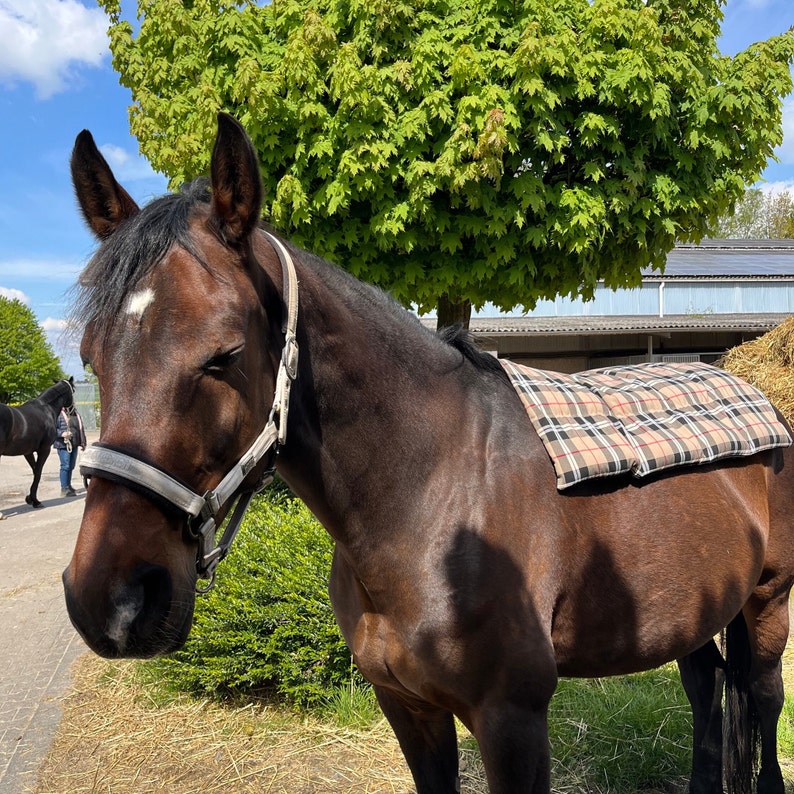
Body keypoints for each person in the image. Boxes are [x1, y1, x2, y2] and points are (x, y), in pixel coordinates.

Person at [54, 405, 86, 497]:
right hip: (63, 444)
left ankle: (68, 485)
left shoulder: (75, 413)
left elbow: (81, 428)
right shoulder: (57, 414)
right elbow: (52, 429)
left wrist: (83, 442)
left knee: (71, 465)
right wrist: (62, 433)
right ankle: (64, 488)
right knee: (65, 466)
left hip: (74, 443)